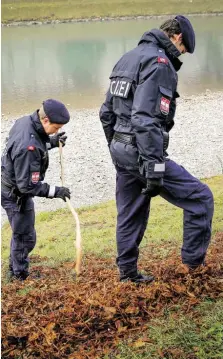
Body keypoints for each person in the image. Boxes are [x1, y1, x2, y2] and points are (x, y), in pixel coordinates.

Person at [99, 16, 214, 283]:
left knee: (129, 212)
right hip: (143, 153)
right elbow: (145, 117)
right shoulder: (159, 63)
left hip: (122, 149)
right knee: (200, 198)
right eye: (184, 49)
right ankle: (193, 268)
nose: (182, 54)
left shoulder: (127, 58)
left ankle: (127, 275)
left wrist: (115, 146)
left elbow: (106, 112)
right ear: (176, 38)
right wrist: (153, 165)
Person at [1, 99, 71, 281]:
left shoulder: (25, 121)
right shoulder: (28, 148)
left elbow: (35, 139)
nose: (56, 131)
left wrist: (52, 142)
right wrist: (56, 191)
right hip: (16, 194)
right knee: (25, 236)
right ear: (46, 120)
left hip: (9, 185)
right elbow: (27, 186)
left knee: (21, 232)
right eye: (56, 128)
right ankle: (19, 275)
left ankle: (14, 266)